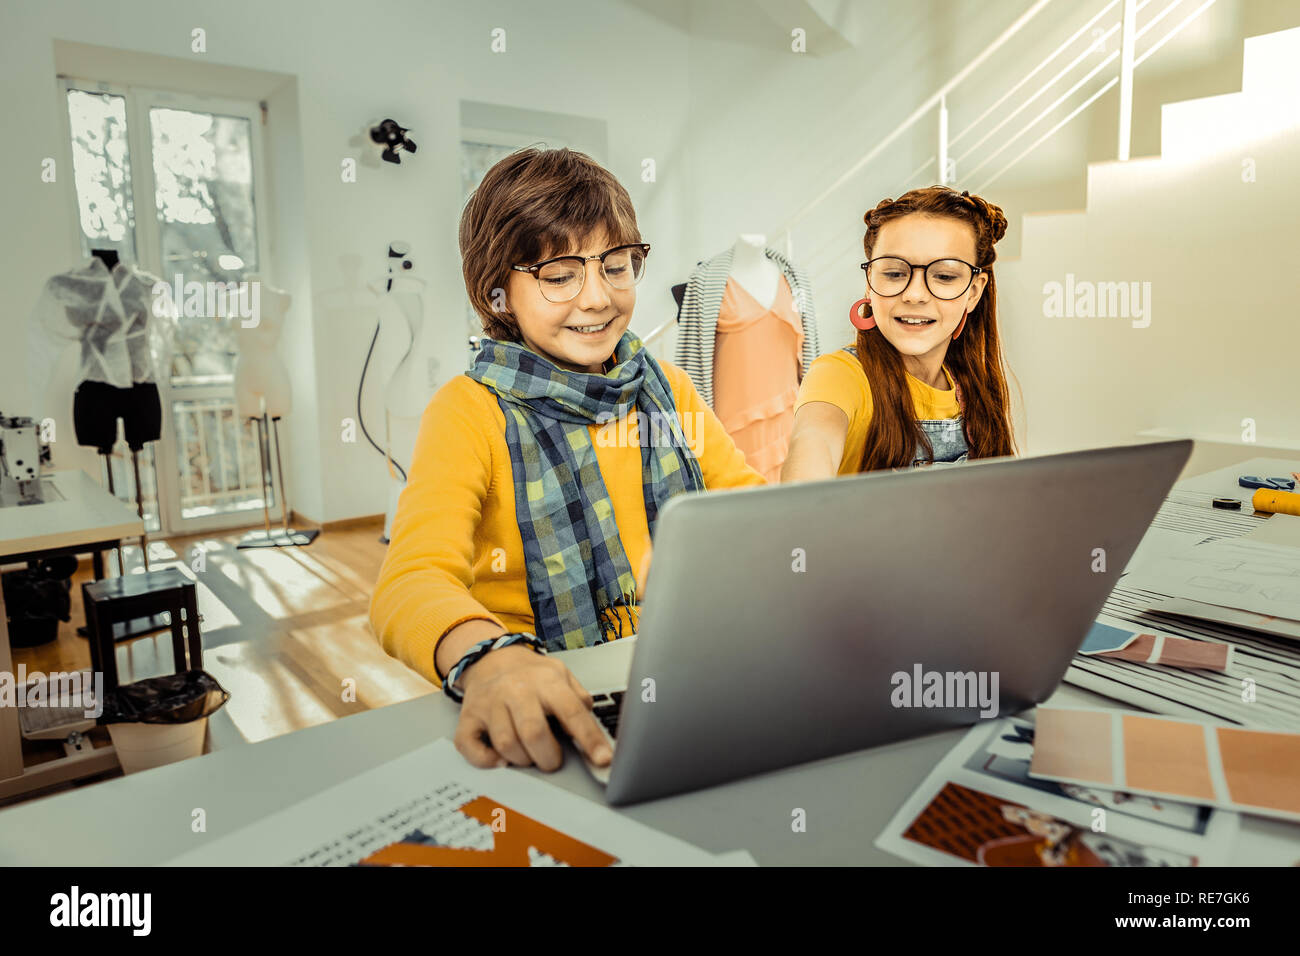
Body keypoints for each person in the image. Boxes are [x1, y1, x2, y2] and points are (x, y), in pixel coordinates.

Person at [369, 147, 765, 773]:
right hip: (538, 694)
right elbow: (408, 583)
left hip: (676, 667)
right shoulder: (469, 411)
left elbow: (746, 512)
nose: (597, 298)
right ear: (497, 292)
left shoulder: (670, 388)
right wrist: (493, 661)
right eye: (559, 275)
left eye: (616, 266)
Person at [781, 186, 1017, 480]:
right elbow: (813, 445)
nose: (915, 294)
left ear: (974, 291)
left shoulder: (971, 388)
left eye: (944, 276)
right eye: (894, 273)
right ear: (869, 282)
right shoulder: (840, 375)